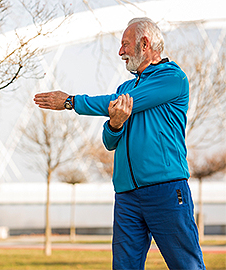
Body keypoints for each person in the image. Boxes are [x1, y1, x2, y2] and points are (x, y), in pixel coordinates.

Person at [34, 17, 206, 270]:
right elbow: (109, 140)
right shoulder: (126, 86)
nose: (120, 52)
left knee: (185, 265)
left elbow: (116, 103)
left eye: (125, 44)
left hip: (165, 190)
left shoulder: (172, 78)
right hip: (126, 195)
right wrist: (114, 124)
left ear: (145, 44)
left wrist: (71, 101)